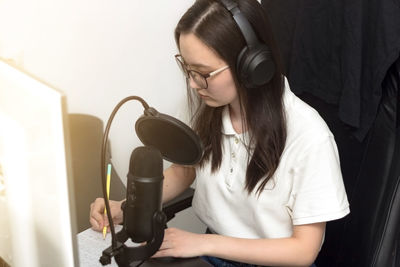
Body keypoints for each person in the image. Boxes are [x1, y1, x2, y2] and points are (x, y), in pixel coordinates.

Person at [90, 0, 350, 266]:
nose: (192, 84)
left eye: (203, 73)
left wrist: (203, 242)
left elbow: (303, 251)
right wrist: (124, 209)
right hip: (212, 254)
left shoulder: (309, 136)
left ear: (251, 64)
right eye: (187, 69)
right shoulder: (206, 108)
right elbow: (184, 172)